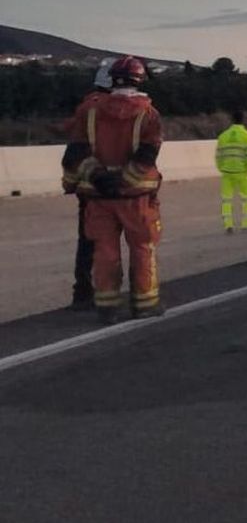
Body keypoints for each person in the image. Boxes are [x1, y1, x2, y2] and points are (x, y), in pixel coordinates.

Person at [61, 56, 164, 324]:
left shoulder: (89, 110)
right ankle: (145, 305)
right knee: (142, 248)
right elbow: (148, 153)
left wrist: (98, 178)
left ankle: (106, 307)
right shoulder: (148, 114)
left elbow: (76, 151)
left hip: (98, 197)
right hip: (135, 197)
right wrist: (124, 181)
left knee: (104, 251)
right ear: (139, 79)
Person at [63, 64, 113, 309]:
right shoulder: (120, 109)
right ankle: (111, 295)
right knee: (113, 243)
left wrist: (71, 183)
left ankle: (83, 292)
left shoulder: (86, 107)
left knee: (87, 241)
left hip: (88, 188)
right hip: (112, 188)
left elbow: (72, 152)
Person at [215, 110, 247, 233]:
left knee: (226, 200)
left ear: (231, 120)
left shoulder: (223, 136)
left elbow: (218, 155)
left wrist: (221, 167)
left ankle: (228, 225)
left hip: (227, 173)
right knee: (246, 199)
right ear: (243, 120)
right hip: (242, 173)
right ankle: (246, 224)